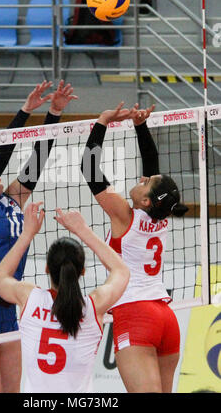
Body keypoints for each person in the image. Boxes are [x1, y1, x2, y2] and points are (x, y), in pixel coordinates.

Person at [0, 79, 78, 393]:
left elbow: (37, 160)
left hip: (8, 311)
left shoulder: (10, 200)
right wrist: (23, 113)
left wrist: (53, 113)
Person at [80, 101, 189, 393]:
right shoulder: (160, 214)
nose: (142, 178)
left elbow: (89, 168)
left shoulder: (124, 215)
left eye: (147, 182)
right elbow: (152, 163)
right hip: (165, 316)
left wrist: (102, 120)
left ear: (145, 201)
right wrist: (140, 126)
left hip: (136, 313)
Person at [0, 204, 130, 393]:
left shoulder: (29, 297)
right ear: (82, 271)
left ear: (47, 269)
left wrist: (27, 234)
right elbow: (121, 270)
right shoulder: (94, 306)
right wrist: (83, 230)